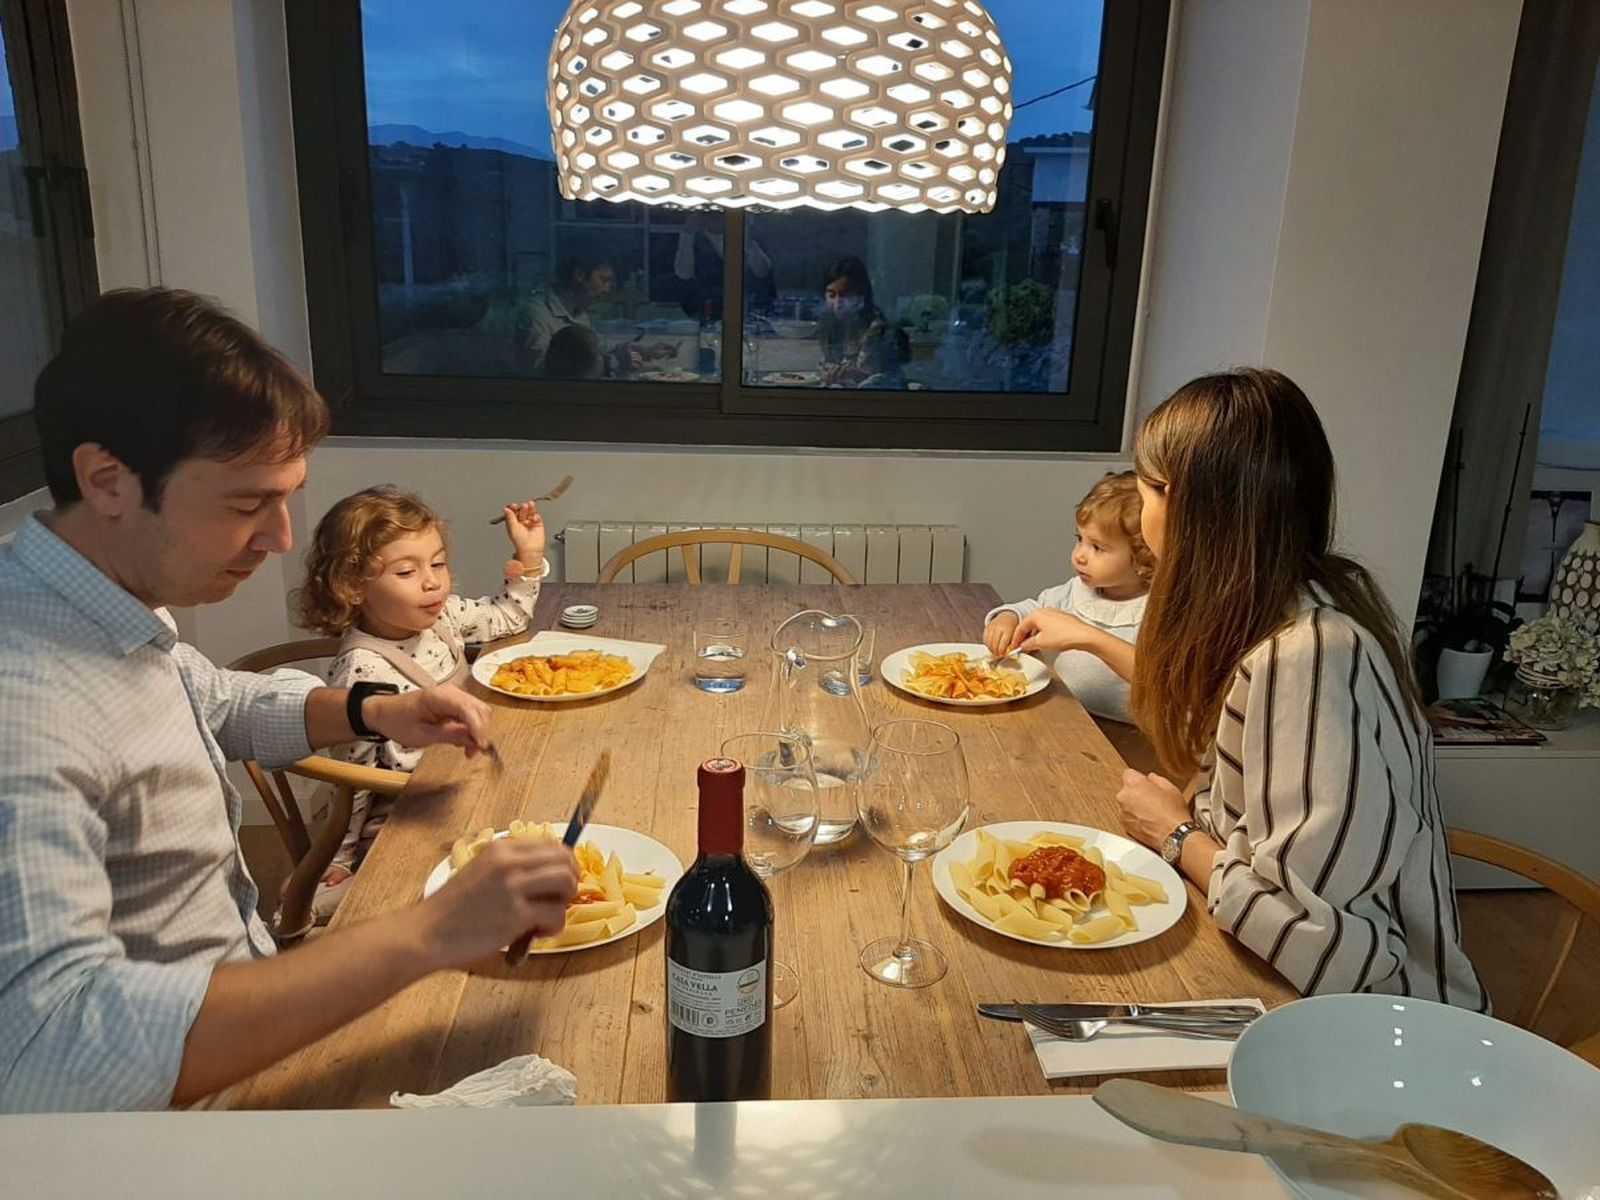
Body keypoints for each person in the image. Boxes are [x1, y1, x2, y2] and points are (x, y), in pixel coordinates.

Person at [0, 288, 579, 1112]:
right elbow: (50, 1055)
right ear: (107, 480)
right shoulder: (23, 702)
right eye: (247, 503)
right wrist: (432, 932)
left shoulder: (104, 602)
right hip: (173, 1123)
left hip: (252, 999)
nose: (278, 537)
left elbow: (215, 700)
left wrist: (371, 712)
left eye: (285, 497)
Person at [1113, 368, 1487, 1007]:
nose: (1137, 504)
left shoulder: (1310, 658)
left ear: (1195, 506)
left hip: (1375, 1026)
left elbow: (1325, 943)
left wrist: (1176, 836)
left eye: (1146, 486)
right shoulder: (1272, 617)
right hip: (1280, 980)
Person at [294, 486, 550, 919]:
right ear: (353, 586)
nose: (432, 581)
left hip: (468, 780)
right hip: (411, 817)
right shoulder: (364, 668)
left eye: (437, 564)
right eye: (406, 572)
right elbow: (354, 776)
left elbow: (508, 616)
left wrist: (527, 556)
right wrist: (341, 855)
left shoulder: (442, 616)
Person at [982, 472, 1153, 723]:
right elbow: (1033, 609)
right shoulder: (1076, 592)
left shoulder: (1159, 609)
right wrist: (1007, 618)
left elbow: (1163, 681)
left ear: (1144, 558)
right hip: (1068, 715)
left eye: (1098, 547)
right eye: (1079, 540)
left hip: (1130, 734)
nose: (1080, 556)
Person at [516, 257, 668, 376]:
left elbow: (598, 347)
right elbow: (543, 368)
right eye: (604, 280)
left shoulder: (579, 314)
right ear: (580, 275)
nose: (608, 289)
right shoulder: (536, 314)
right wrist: (612, 364)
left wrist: (642, 351)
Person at [672, 211, 775, 320]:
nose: (714, 219)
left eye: (719, 215)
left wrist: (746, 240)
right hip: (707, 308)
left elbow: (762, 271)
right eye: (707, 215)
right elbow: (684, 275)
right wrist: (688, 233)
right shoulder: (694, 240)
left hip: (751, 309)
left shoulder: (749, 236)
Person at [816, 255, 885, 382]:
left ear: (861, 295)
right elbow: (826, 362)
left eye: (845, 295)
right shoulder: (827, 322)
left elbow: (881, 376)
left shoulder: (876, 328)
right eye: (831, 295)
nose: (837, 303)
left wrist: (851, 374)